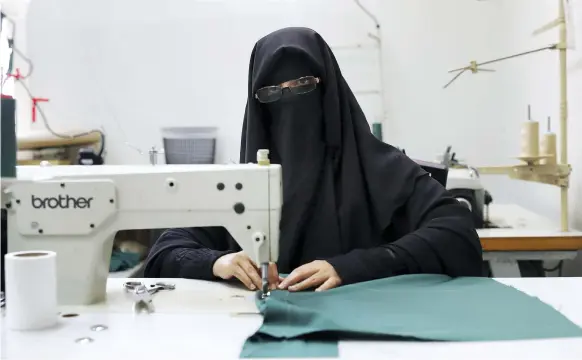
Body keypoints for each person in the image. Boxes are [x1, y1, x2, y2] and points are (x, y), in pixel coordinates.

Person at [143, 27, 483, 292]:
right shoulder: (245, 182)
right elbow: (166, 250)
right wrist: (218, 262)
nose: (288, 100)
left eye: (303, 84)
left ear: (330, 90)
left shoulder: (379, 169)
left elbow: (456, 232)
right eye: (273, 92)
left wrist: (352, 267)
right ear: (258, 106)